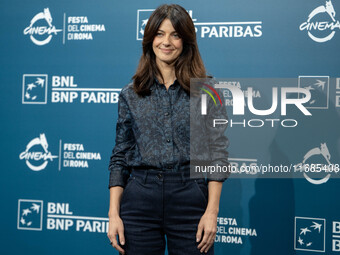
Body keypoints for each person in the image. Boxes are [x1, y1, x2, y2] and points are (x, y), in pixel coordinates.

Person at [107, 4, 229, 255]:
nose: (167, 41)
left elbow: (217, 153)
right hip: (139, 197)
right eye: (160, 34)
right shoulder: (131, 93)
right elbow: (120, 155)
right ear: (150, 39)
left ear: (186, 40)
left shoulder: (207, 90)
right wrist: (113, 214)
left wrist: (212, 212)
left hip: (190, 196)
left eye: (175, 34)